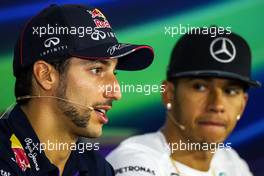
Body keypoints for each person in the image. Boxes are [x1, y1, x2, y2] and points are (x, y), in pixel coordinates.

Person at [0, 4, 154, 176]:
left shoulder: (96, 168)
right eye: (97, 70)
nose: (116, 92)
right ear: (45, 75)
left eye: (114, 72)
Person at [107, 27, 261, 176]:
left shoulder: (231, 162)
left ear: (242, 105)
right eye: (200, 87)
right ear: (169, 94)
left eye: (231, 91)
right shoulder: (135, 160)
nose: (217, 105)